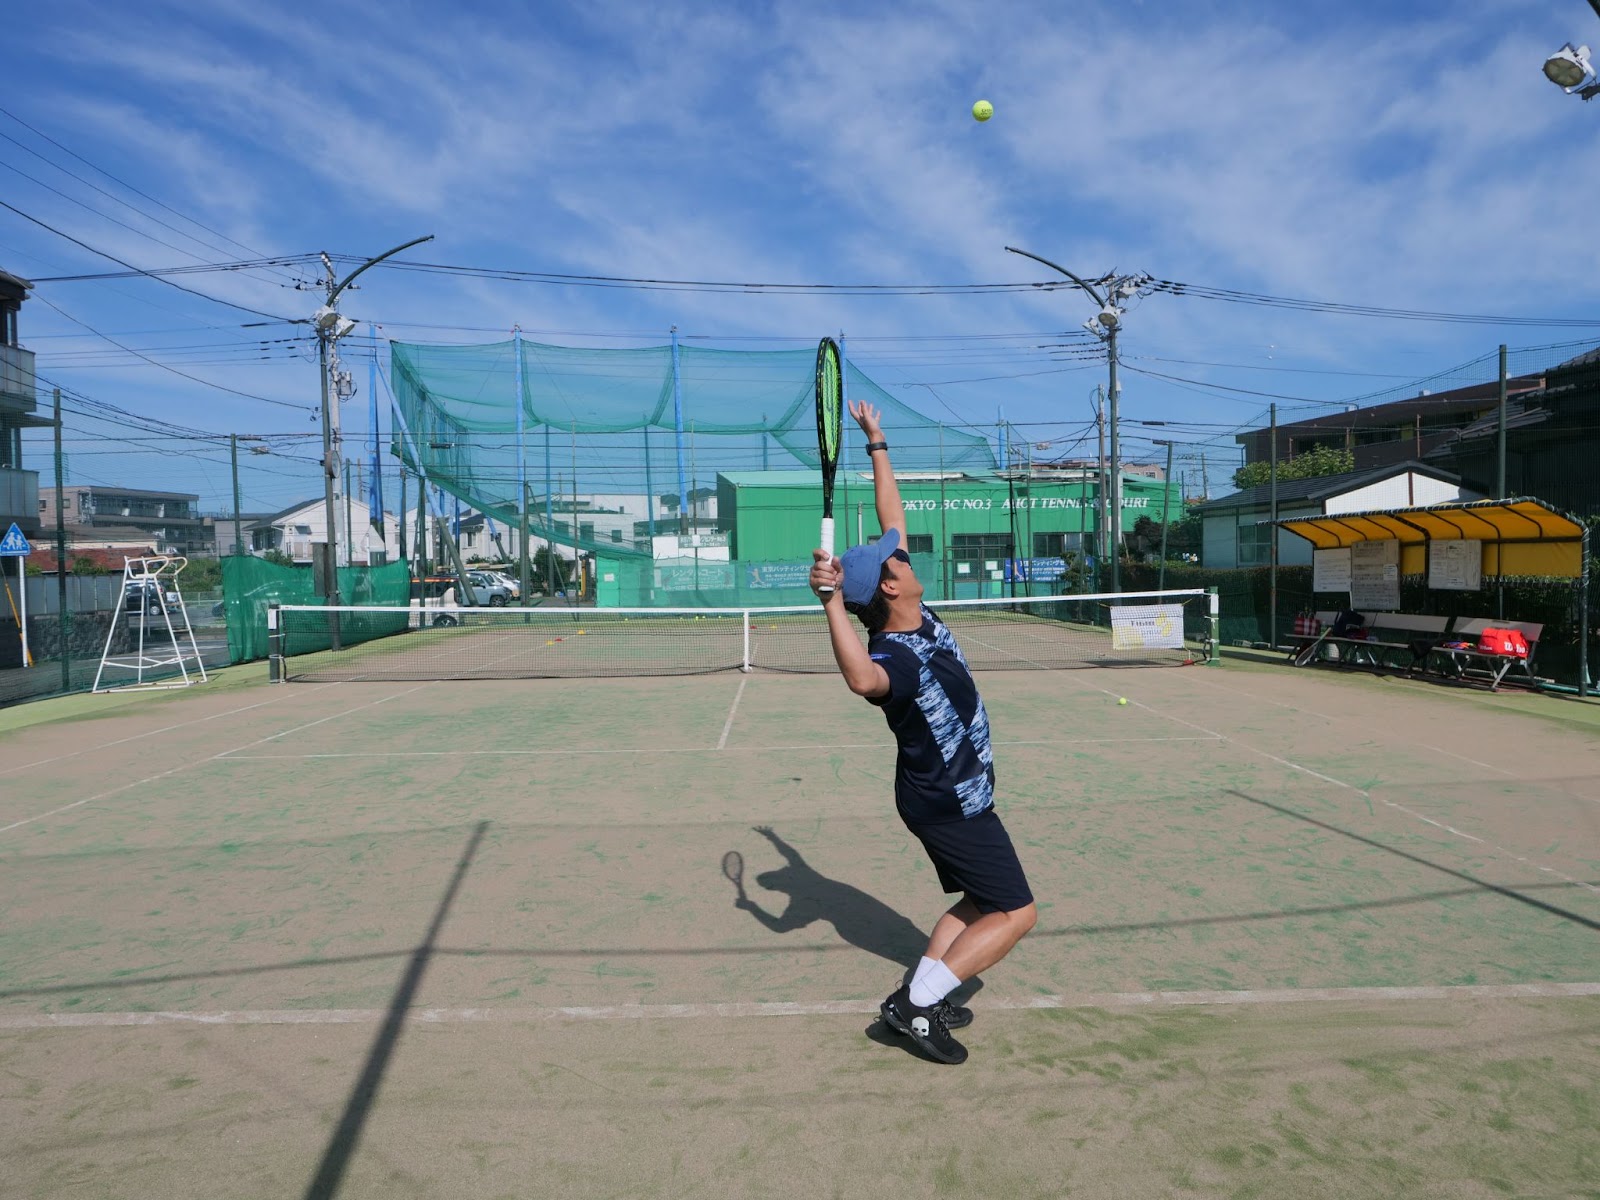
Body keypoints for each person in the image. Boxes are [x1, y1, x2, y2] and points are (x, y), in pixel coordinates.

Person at [808, 400, 1036, 1065]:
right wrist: (829, 607)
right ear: (890, 587)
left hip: (945, 795)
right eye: (894, 559)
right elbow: (860, 682)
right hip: (949, 803)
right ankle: (914, 1007)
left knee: (977, 902)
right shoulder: (895, 658)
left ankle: (926, 990)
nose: (903, 551)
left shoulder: (913, 614)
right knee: (1017, 912)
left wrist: (876, 443)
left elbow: (892, 516)